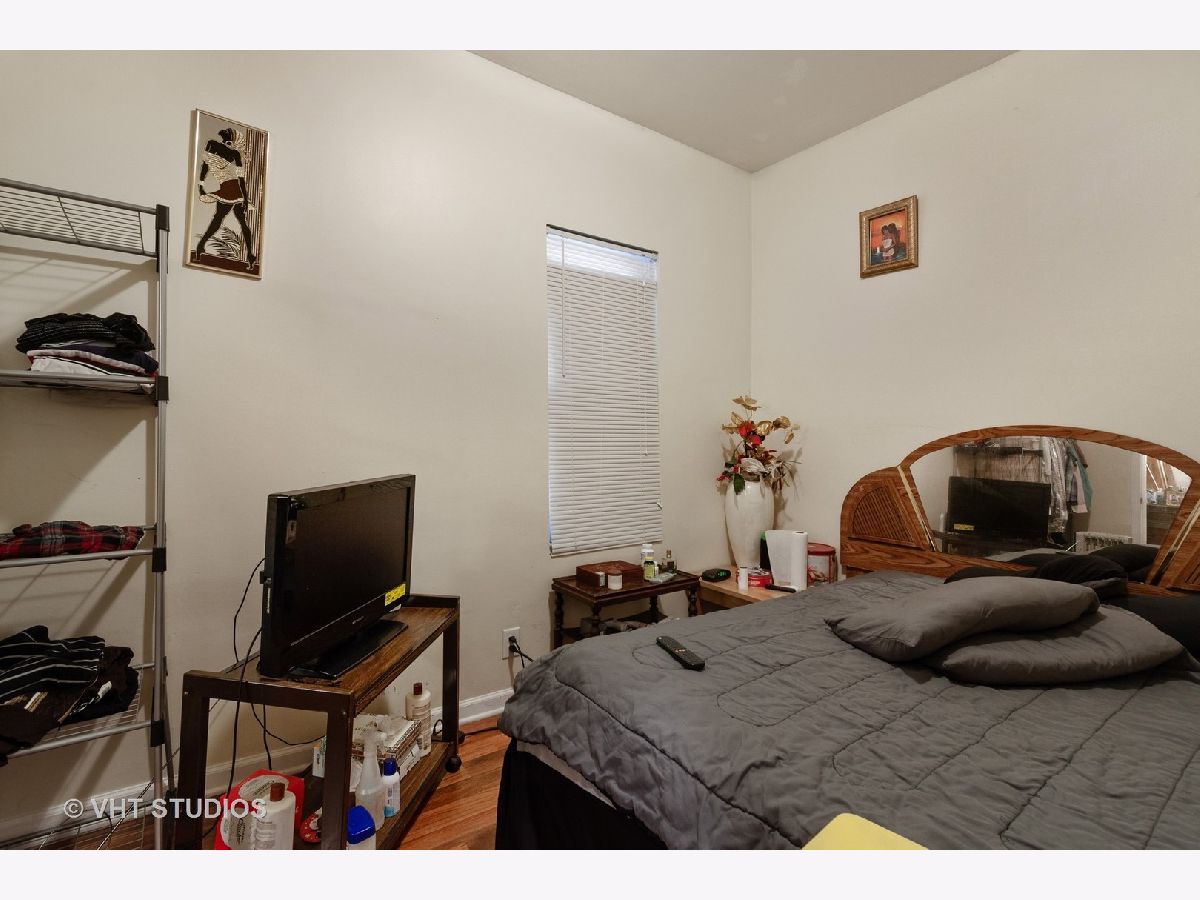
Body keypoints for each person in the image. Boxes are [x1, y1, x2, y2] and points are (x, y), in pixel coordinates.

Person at [194, 127, 256, 269]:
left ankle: (201, 245)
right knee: (236, 221)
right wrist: (201, 185)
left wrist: (245, 198)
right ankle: (250, 255)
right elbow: (205, 166)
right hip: (230, 189)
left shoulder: (232, 152)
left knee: (221, 220)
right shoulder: (216, 146)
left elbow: (240, 179)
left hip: (232, 189)